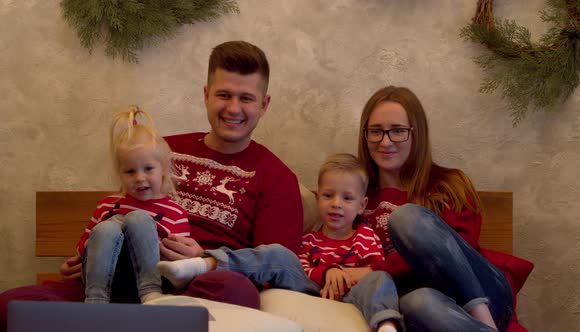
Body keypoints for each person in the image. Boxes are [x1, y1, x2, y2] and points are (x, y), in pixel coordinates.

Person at [0, 40, 303, 330]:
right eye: (224, 95)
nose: (234, 108)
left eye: (246, 98)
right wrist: (84, 261)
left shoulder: (277, 178)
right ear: (206, 95)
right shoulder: (160, 149)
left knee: (236, 291)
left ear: (264, 104)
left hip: (193, 291)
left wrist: (205, 259)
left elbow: (271, 268)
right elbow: (117, 206)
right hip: (113, 282)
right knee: (9, 307)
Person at [157, 153, 403, 332]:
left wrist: (343, 275)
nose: (336, 203)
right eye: (328, 195)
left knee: (381, 279)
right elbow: (302, 268)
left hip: (354, 294)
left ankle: (386, 325)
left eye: (347, 198)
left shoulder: (365, 236)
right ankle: (203, 264)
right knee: (279, 254)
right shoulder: (310, 239)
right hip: (313, 289)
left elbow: (374, 271)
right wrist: (326, 272)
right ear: (318, 198)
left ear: (362, 205)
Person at [345, 85, 514, 331]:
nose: (385, 141)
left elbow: (457, 252)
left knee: (406, 218)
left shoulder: (448, 185)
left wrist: (371, 270)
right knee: (417, 301)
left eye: (398, 131)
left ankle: (483, 320)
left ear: (417, 133)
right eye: (376, 131)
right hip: (429, 311)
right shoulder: (354, 196)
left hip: (486, 296)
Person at [80, 106, 189, 303]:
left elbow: (181, 263)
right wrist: (77, 259)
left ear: (163, 169)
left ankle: (150, 292)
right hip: (106, 280)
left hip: (152, 277)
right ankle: (95, 299)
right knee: (106, 228)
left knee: (138, 218)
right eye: (130, 172)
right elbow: (83, 248)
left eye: (148, 168)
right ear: (120, 174)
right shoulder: (107, 205)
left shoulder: (176, 212)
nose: (139, 178)